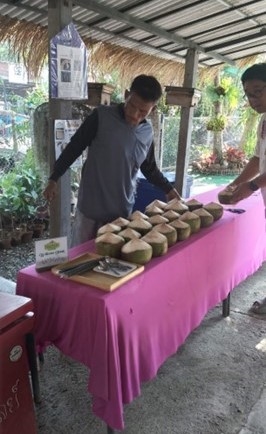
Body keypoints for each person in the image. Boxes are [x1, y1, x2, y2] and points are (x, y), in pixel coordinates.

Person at [43, 74, 181, 246]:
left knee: (111, 260)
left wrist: (169, 189)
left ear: (152, 109)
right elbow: (74, 147)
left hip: (121, 211)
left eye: (143, 111)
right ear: (126, 95)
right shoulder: (101, 117)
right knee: (82, 254)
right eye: (132, 106)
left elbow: (149, 168)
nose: (135, 115)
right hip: (91, 209)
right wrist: (54, 178)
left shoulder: (147, 132)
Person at [223, 63, 266, 316]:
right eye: (249, 94)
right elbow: (257, 160)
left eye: (258, 92)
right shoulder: (263, 121)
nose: (252, 99)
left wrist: (249, 187)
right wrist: (237, 183)